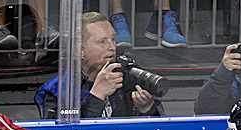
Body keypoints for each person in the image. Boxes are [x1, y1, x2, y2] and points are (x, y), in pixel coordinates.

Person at [34, 12, 163, 119]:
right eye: (102, 42)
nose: (112, 47)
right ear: (79, 50)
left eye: (113, 39)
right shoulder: (55, 90)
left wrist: (147, 109)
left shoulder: (131, 77)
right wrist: (97, 96)